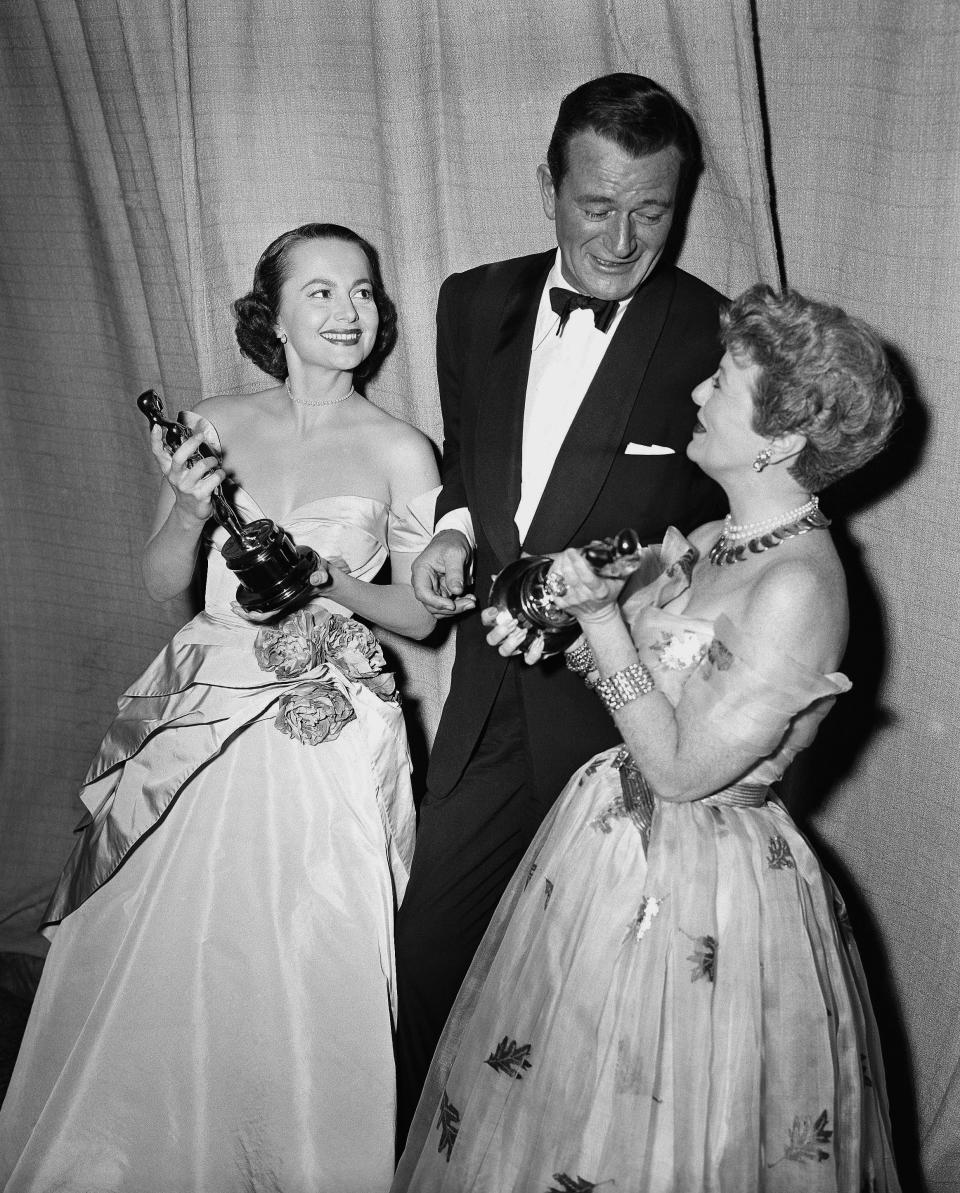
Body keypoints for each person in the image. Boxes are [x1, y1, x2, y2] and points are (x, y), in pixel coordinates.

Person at [392, 283, 903, 1192]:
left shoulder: (799, 589)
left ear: (781, 439)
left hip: (700, 887)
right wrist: (553, 616)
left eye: (722, 384)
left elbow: (677, 769)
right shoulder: (716, 535)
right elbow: (631, 670)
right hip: (602, 849)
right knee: (556, 1098)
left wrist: (600, 622)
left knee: (655, 1125)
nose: (697, 394)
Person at [0, 223, 440, 1193]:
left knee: (302, 943)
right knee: (173, 939)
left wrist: (332, 577)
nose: (347, 311)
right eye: (319, 291)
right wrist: (194, 508)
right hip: (197, 714)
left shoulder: (403, 449)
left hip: (323, 726)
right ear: (270, 314)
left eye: (363, 290)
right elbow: (162, 578)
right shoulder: (212, 421)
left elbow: (419, 612)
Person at [395, 72, 726, 1135]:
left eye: (653, 210)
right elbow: (475, 472)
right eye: (597, 204)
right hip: (486, 705)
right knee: (427, 961)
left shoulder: (718, 333)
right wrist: (451, 527)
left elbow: (719, 547)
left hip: (618, 722)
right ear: (548, 185)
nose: (625, 239)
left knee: (589, 1010)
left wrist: (600, 586)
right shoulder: (472, 299)